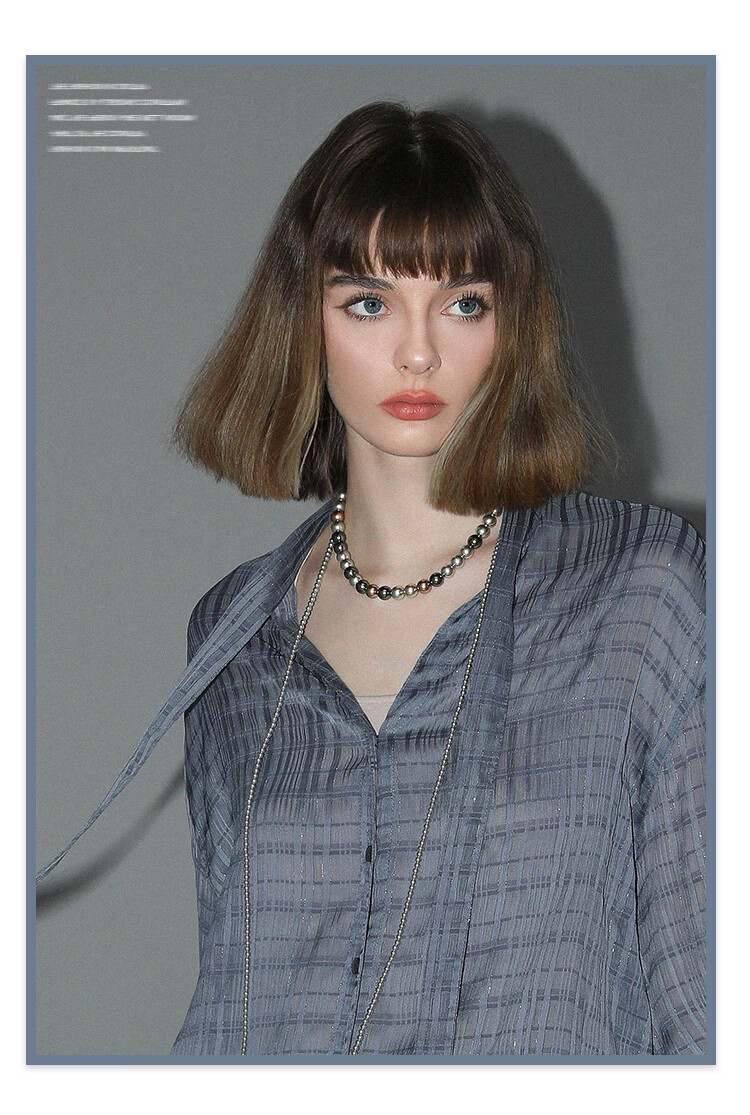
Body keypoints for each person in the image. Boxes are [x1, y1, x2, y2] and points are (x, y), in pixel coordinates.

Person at [36, 101, 706, 1058]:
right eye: (368, 302)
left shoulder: (642, 591)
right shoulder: (234, 634)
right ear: (302, 319)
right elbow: (233, 995)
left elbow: (705, 1001)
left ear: (513, 323)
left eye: (464, 303)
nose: (418, 350)